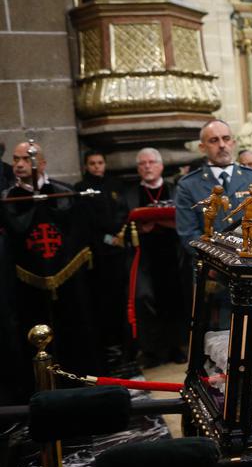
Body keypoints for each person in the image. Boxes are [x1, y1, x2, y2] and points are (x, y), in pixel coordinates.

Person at [0, 142, 102, 389]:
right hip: (25, 283)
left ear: (42, 163)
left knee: (72, 328)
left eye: (26, 159)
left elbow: (77, 236)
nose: (20, 164)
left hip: (67, 282)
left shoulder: (64, 194)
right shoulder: (6, 200)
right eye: (15, 159)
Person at [124, 148, 185, 367]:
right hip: (144, 256)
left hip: (172, 254)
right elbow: (122, 223)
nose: (147, 166)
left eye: (151, 162)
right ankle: (152, 350)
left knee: (174, 299)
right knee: (145, 299)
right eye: (142, 163)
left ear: (160, 166)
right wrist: (138, 227)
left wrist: (162, 222)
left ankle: (175, 347)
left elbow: (185, 216)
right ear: (138, 169)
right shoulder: (130, 194)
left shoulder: (175, 189)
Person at [74, 150, 132, 373]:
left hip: (119, 251)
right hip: (99, 254)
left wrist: (121, 234)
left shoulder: (114, 184)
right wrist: (109, 238)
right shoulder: (82, 188)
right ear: (86, 166)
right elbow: (88, 221)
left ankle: (125, 350)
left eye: (100, 162)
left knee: (121, 300)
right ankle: (109, 352)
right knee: (103, 302)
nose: (97, 166)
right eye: (92, 163)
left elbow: (123, 212)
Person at [175, 120, 252, 255]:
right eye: (214, 140)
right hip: (213, 267)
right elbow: (189, 234)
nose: (221, 145)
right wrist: (216, 260)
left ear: (233, 143)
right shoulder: (189, 185)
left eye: (226, 139)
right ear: (202, 147)